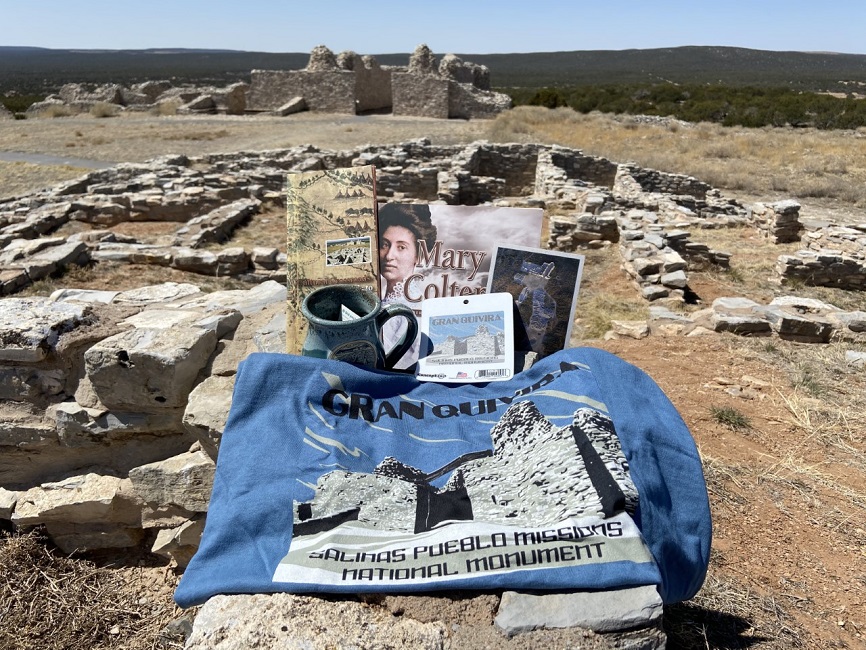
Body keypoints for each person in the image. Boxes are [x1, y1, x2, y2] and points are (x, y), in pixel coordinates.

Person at [377, 204, 437, 370]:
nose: (389, 256)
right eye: (384, 244)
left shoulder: (412, 310)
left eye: (401, 247)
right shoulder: (383, 300)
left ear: (418, 255)